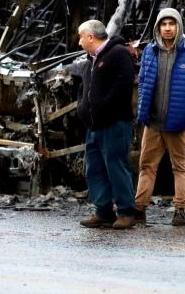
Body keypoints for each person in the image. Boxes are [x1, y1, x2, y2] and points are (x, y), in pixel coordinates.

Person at [135, 8, 185, 226]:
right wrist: (143, 108)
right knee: (146, 166)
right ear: (158, 27)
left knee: (180, 165)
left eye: (172, 24)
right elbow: (142, 81)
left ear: (179, 26)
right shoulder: (150, 51)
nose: (168, 28)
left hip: (178, 121)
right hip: (153, 121)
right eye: (163, 24)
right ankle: (139, 209)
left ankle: (180, 209)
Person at [76, 20, 137, 229]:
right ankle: (103, 211)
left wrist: (103, 107)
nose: (79, 42)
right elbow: (84, 90)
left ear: (91, 37)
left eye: (81, 36)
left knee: (116, 166)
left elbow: (124, 85)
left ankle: (127, 212)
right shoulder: (90, 60)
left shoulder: (118, 53)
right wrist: (82, 108)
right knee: (95, 167)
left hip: (115, 122)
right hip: (94, 125)